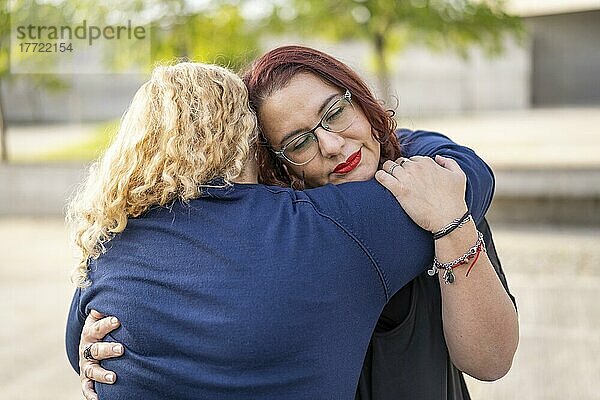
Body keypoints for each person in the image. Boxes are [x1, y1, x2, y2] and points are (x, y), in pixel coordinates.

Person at [65, 61, 503, 399]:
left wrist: (93, 350)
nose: (331, 144)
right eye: (296, 142)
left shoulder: (111, 245)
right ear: (257, 150)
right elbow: (470, 174)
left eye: (335, 112)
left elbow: (77, 344)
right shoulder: (328, 224)